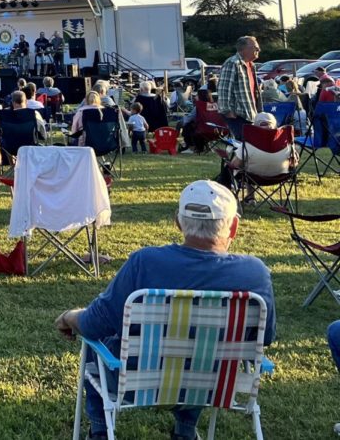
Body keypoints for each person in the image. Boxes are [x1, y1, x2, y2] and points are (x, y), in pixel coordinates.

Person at [55, 180, 276, 440]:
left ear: (178, 222)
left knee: (99, 344)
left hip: (139, 382)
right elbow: (266, 338)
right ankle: (185, 431)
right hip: (214, 385)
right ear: (233, 227)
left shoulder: (145, 263)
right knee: (202, 350)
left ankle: (102, 432)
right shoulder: (255, 274)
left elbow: (95, 324)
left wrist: (70, 316)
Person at [215, 111, 298, 204]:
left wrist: (227, 162)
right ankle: (250, 198)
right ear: (275, 126)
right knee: (248, 166)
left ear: (255, 126)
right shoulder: (286, 143)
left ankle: (225, 200)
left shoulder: (249, 143)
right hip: (280, 176)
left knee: (237, 167)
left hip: (253, 176)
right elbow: (294, 163)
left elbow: (235, 164)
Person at [218, 35, 261, 141]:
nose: (258, 50)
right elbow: (224, 89)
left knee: (250, 145)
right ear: (243, 49)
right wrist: (227, 111)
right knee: (245, 145)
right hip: (237, 113)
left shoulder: (251, 66)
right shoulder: (233, 63)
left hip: (250, 113)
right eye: (255, 47)